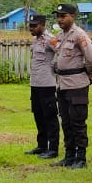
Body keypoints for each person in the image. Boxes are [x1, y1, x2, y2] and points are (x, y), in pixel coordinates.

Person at [51, 2, 92, 169]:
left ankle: (81, 157)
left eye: (63, 16)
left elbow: (91, 59)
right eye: (58, 16)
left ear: (72, 16)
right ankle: (69, 155)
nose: (60, 19)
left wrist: (87, 73)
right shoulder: (60, 35)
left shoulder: (79, 35)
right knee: (66, 121)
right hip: (62, 84)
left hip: (77, 83)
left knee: (78, 122)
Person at [26, 13, 61, 159]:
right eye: (30, 26)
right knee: (38, 115)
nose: (31, 28)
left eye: (34, 26)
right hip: (35, 83)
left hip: (47, 84)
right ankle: (42, 146)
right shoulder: (36, 40)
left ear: (43, 25)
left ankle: (53, 148)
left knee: (50, 117)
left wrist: (55, 66)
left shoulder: (50, 39)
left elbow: (62, 53)